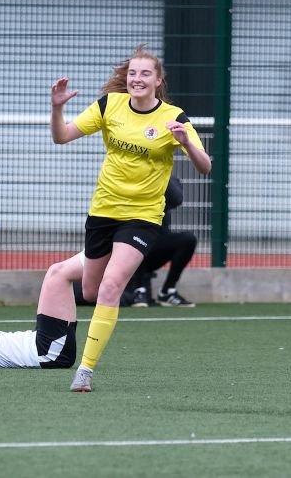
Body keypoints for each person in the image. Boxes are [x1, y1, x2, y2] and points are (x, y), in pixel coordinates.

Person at [50, 44, 211, 392]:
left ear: (158, 80)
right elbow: (61, 137)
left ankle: (85, 371)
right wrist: (57, 108)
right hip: (103, 211)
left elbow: (205, 167)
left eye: (145, 74)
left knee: (111, 286)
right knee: (92, 290)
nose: (137, 79)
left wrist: (187, 142)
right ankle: (75, 282)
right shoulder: (110, 105)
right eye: (133, 73)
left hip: (142, 216)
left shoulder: (175, 118)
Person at [73, 175, 198, 308]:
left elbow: (176, 199)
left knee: (188, 239)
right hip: (126, 240)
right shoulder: (125, 174)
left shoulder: (164, 174)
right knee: (132, 240)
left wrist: (157, 176)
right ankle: (139, 290)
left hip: (155, 239)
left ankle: (167, 292)